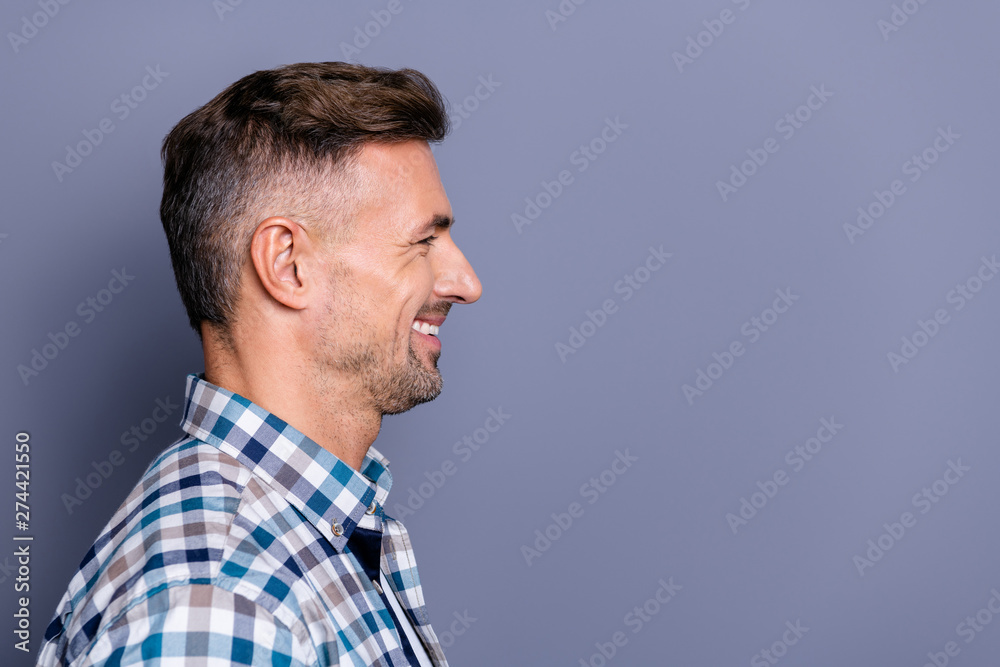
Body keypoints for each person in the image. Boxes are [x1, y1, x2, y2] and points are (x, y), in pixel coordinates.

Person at [37, 62, 482, 667]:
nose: (466, 283)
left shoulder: (311, 532)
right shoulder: (221, 607)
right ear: (288, 265)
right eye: (424, 242)